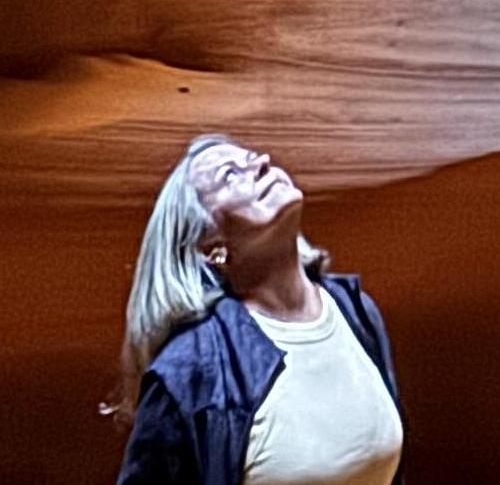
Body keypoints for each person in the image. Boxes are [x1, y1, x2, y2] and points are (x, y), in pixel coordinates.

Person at [108, 134, 406, 484]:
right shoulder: (191, 370)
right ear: (210, 245)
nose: (263, 163)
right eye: (230, 175)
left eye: (254, 158)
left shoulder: (354, 309)